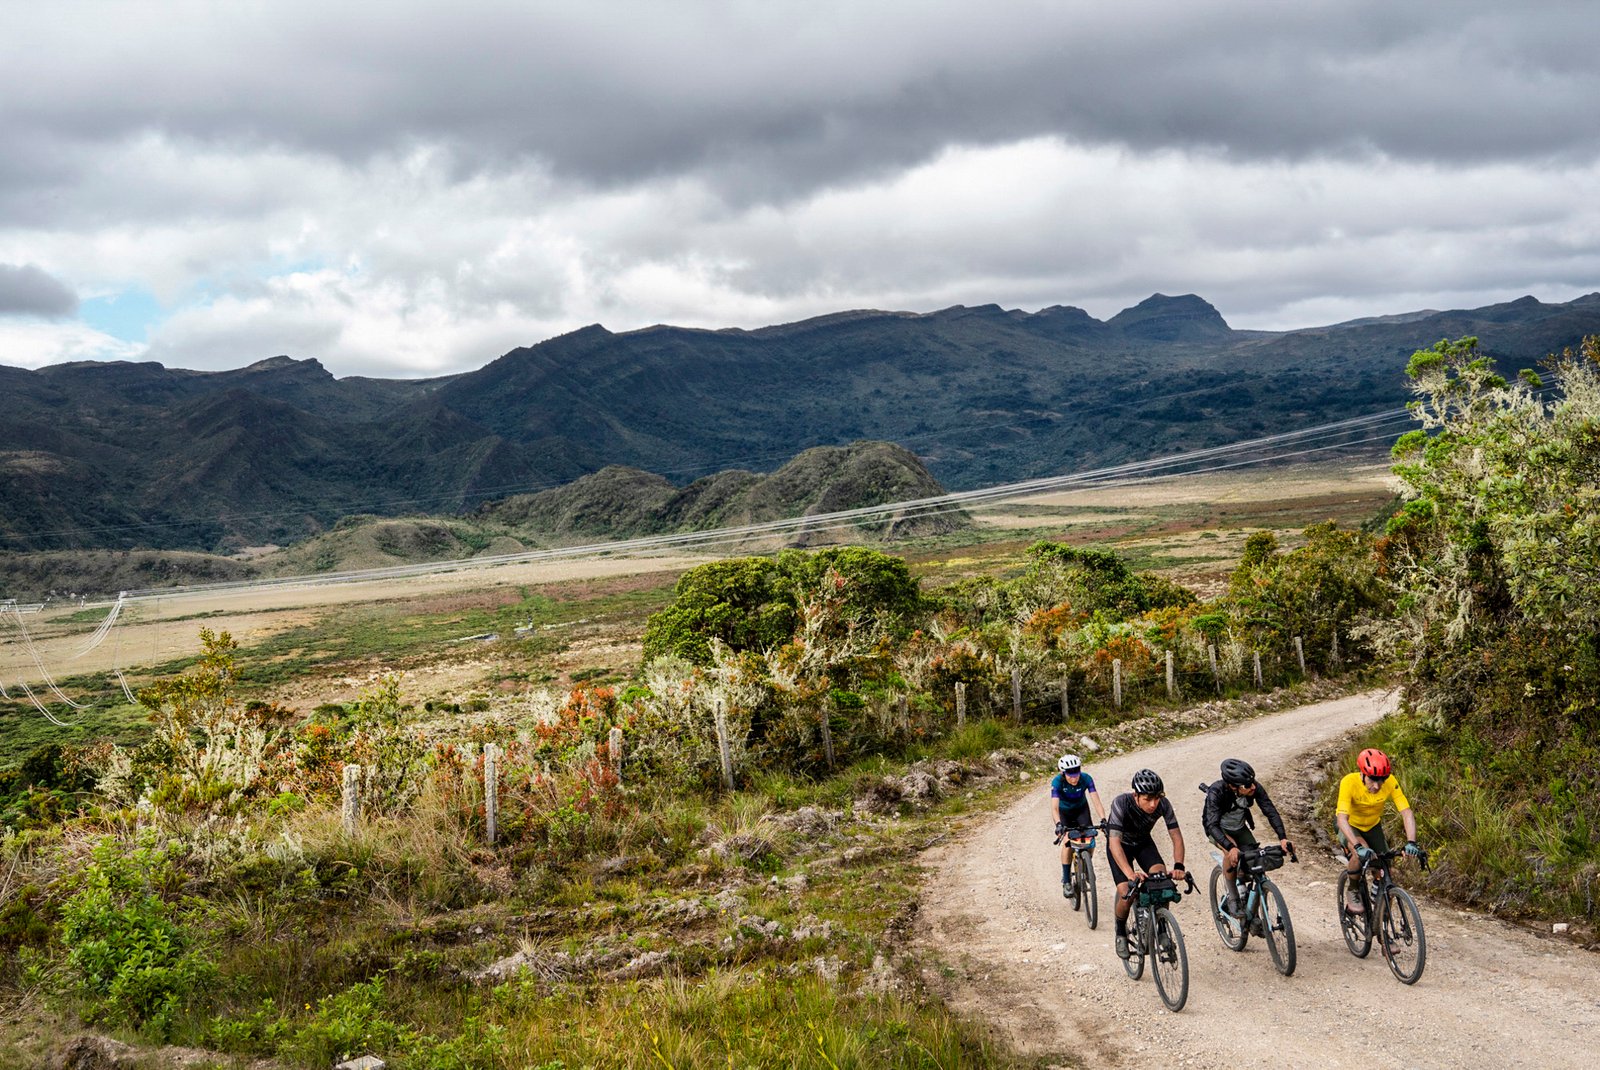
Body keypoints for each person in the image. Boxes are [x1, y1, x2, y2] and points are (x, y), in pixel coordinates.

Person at [1105, 768, 1186, 959]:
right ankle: (1120, 933)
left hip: (1143, 843)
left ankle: (1162, 928)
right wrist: (1130, 874)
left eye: (1156, 798)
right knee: (1127, 892)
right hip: (1120, 847)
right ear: (1136, 795)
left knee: (1161, 879)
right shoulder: (1121, 803)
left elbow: (1176, 837)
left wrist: (1179, 866)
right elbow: (1114, 843)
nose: (1153, 804)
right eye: (1147, 799)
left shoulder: (1163, 805)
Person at [1335, 748, 1422, 913]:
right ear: (1362, 774)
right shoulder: (1349, 782)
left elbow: (1406, 812)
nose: (1377, 785)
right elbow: (1341, 819)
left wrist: (1411, 842)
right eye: (1372, 779)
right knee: (1360, 851)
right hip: (1350, 825)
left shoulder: (1390, 783)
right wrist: (1357, 846)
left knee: (1385, 869)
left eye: (1382, 780)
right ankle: (1353, 889)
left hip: (1373, 826)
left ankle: (1381, 925)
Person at [1201, 757, 1293, 915]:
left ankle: (1252, 913)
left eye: (1253, 782)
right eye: (1248, 785)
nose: (1253, 787)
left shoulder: (1253, 787)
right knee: (1233, 855)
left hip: (1240, 827)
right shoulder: (1217, 792)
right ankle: (1233, 897)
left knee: (1252, 861)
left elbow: (1270, 810)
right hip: (1219, 830)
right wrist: (1230, 847)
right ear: (1232, 786)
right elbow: (1212, 825)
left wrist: (1282, 837)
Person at [1050, 753, 1108, 897]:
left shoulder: (1086, 779)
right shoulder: (1057, 782)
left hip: (1081, 810)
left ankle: (1087, 868)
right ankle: (1067, 880)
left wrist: (1103, 820)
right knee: (1068, 843)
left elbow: (1096, 801)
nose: (1074, 777)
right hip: (1064, 813)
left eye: (1076, 772)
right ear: (1063, 773)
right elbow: (1054, 808)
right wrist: (1058, 824)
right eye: (1070, 774)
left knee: (1090, 839)